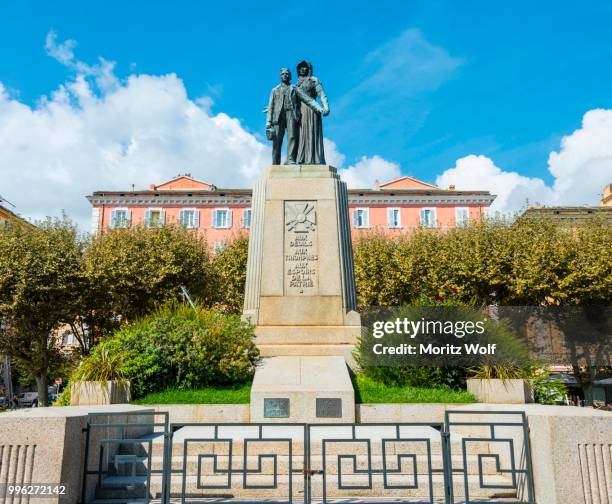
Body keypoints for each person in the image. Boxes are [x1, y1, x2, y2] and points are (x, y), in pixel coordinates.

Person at [265, 68, 322, 165]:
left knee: (292, 137)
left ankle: (290, 159)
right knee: (277, 141)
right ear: (280, 76)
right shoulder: (275, 90)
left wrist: (319, 108)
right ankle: (275, 163)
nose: (285, 75)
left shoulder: (295, 88)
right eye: (283, 74)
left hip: (291, 114)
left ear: (290, 76)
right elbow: (271, 106)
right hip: (278, 117)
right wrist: (268, 122)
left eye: (287, 74)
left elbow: (307, 99)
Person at [295, 60, 329, 165]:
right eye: (300, 67)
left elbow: (322, 95)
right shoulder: (296, 84)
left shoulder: (314, 80)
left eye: (305, 67)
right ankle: (301, 158)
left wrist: (326, 106)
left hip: (312, 110)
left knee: (312, 132)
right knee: (300, 135)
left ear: (309, 69)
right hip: (300, 111)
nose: (302, 69)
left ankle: (314, 158)